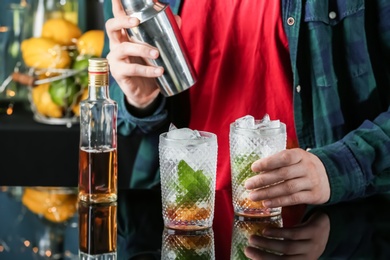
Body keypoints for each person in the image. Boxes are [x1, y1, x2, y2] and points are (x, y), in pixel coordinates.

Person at [103, 0, 390, 208]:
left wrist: (336, 167)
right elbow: (123, 116)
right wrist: (140, 99)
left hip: (324, 222)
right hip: (187, 214)